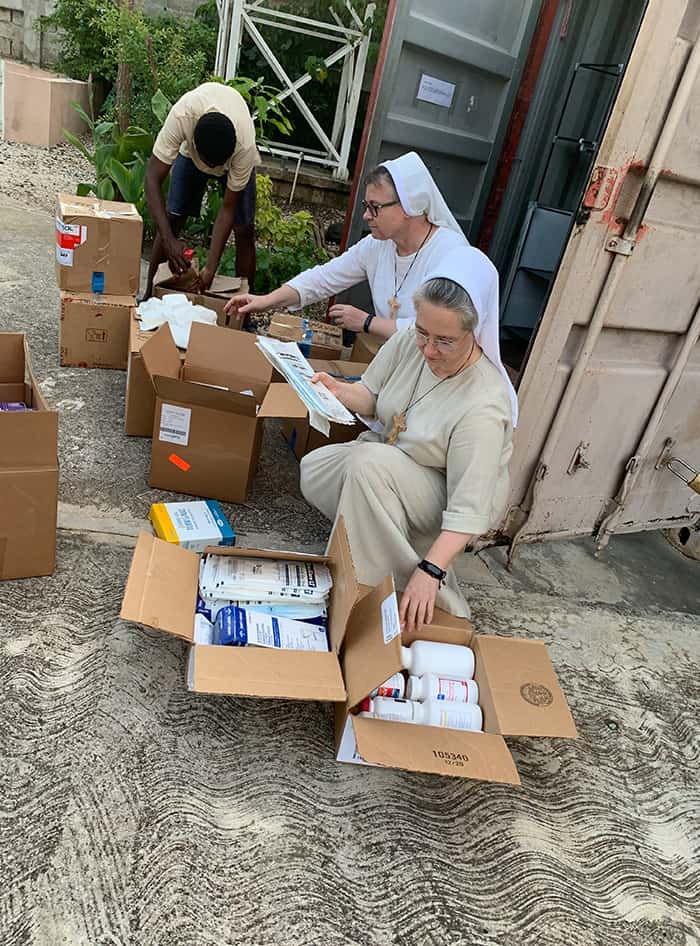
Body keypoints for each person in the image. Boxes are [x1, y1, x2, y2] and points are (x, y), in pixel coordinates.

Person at [299, 246, 519, 631]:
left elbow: (469, 505)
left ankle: (374, 590)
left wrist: (431, 570)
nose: (429, 350)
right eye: (422, 333)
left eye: (445, 341)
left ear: (476, 329)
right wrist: (334, 390)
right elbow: (370, 395)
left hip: (447, 496)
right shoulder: (411, 342)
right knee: (315, 468)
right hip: (392, 462)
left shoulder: (484, 403)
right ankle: (384, 537)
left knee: (366, 468)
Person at [225, 151, 468, 338]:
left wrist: (368, 322)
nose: (366, 216)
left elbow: (440, 331)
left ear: (409, 206)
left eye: (375, 207)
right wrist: (265, 300)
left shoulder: (450, 253)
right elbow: (323, 279)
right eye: (366, 206)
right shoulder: (377, 245)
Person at [143, 82, 260, 299]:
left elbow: (228, 208)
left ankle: (244, 313)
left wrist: (210, 268)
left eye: (218, 166)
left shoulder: (244, 148)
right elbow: (151, 178)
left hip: (234, 154)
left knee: (244, 230)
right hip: (192, 154)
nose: (213, 171)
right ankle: (149, 295)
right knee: (173, 217)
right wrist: (169, 241)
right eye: (209, 165)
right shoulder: (182, 116)